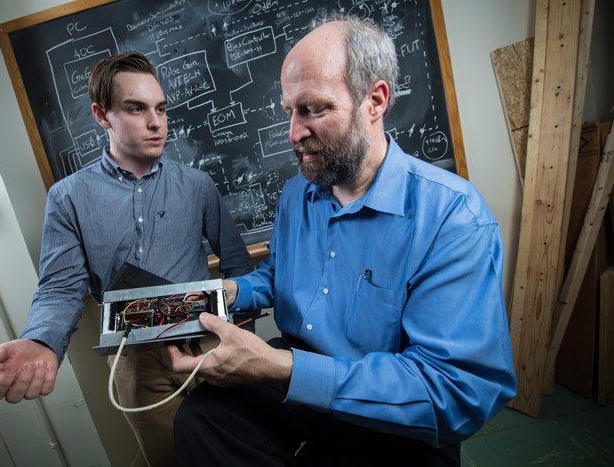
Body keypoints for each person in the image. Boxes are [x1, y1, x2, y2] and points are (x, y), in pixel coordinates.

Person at [167, 15, 517, 466]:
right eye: (289, 113)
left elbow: (455, 392)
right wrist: (231, 292)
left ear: (375, 100)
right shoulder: (297, 193)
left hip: (391, 401)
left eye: (313, 109)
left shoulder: (453, 218)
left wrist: (280, 367)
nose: (293, 134)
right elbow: (281, 273)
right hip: (299, 372)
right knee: (201, 420)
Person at [0, 51, 254, 467]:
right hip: (134, 360)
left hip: (206, 343)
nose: (155, 122)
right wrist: (41, 339)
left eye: (160, 108)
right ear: (102, 114)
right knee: (171, 458)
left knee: (235, 452)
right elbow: (60, 286)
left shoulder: (197, 185)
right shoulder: (69, 197)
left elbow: (238, 266)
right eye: (136, 108)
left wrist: (241, 339)